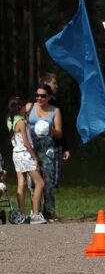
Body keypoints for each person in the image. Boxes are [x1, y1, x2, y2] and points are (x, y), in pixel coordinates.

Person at [7, 97, 46, 224]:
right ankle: (35, 214)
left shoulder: (10, 120)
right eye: (24, 107)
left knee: (21, 183)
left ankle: (22, 214)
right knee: (40, 183)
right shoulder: (22, 123)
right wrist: (34, 158)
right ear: (20, 108)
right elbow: (26, 142)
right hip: (25, 154)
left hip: (16, 154)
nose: (26, 109)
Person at [27, 84, 63, 220]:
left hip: (47, 150)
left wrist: (49, 129)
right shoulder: (29, 107)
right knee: (32, 183)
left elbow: (59, 133)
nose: (40, 98)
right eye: (37, 95)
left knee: (48, 182)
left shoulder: (55, 111)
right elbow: (20, 125)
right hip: (31, 150)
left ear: (49, 97)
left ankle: (49, 211)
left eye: (43, 96)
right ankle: (35, 211)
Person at [34, 73, 70, 186]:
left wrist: (65, 147)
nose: (56, 86)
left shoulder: (56, 107)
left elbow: (61, 129)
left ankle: (48, 201)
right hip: (37, 147)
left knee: (53, 180)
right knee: (37, 181)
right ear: (46, 83)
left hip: (55, 146)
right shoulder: (32, 105)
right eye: (54, 83)